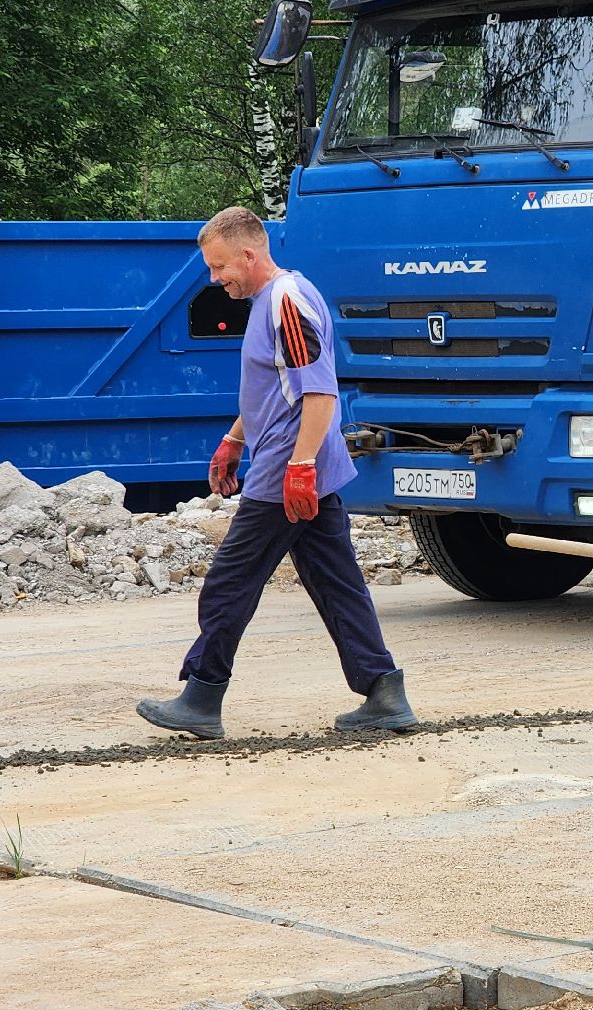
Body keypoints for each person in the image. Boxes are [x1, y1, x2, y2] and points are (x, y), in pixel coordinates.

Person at [136, 207, 417, 740]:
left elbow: (319, 391)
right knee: (338, 583)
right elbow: (276, 388)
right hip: (291, 461)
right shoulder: (272, 300)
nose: (217, 281)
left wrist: (302, 466)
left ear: (249, 252)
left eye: (220, 268)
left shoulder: (286, 300)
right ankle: (384, 691)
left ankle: (202, 694)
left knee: (228, 582)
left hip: (289, 466)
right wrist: (234, 438)